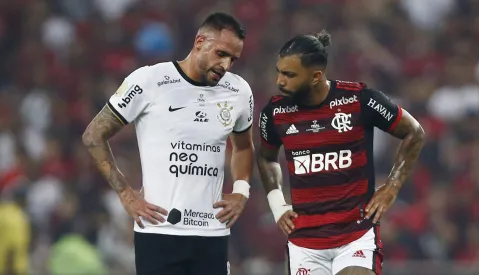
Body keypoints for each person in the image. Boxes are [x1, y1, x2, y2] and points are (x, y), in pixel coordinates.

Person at [82, 12, 255, 275]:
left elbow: (243, 146)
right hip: (159, 232)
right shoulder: (149, 81)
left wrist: (242, 191)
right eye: (221, 54)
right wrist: (126, 194)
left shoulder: (239, 91)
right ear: (199, 42)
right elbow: (93, 135)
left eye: (233, 59)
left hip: (212, 234)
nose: (226, 65)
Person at [256, 30, 425, 275]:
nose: (279, 81)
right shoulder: (275, 113)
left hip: (354, 233)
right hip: (305, 241)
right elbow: (266, 157)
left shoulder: (360, 100)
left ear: (315, 76)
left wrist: (392, 186)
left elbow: (414, 132)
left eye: (289, 75)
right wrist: (277, 204)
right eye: (279, 71)